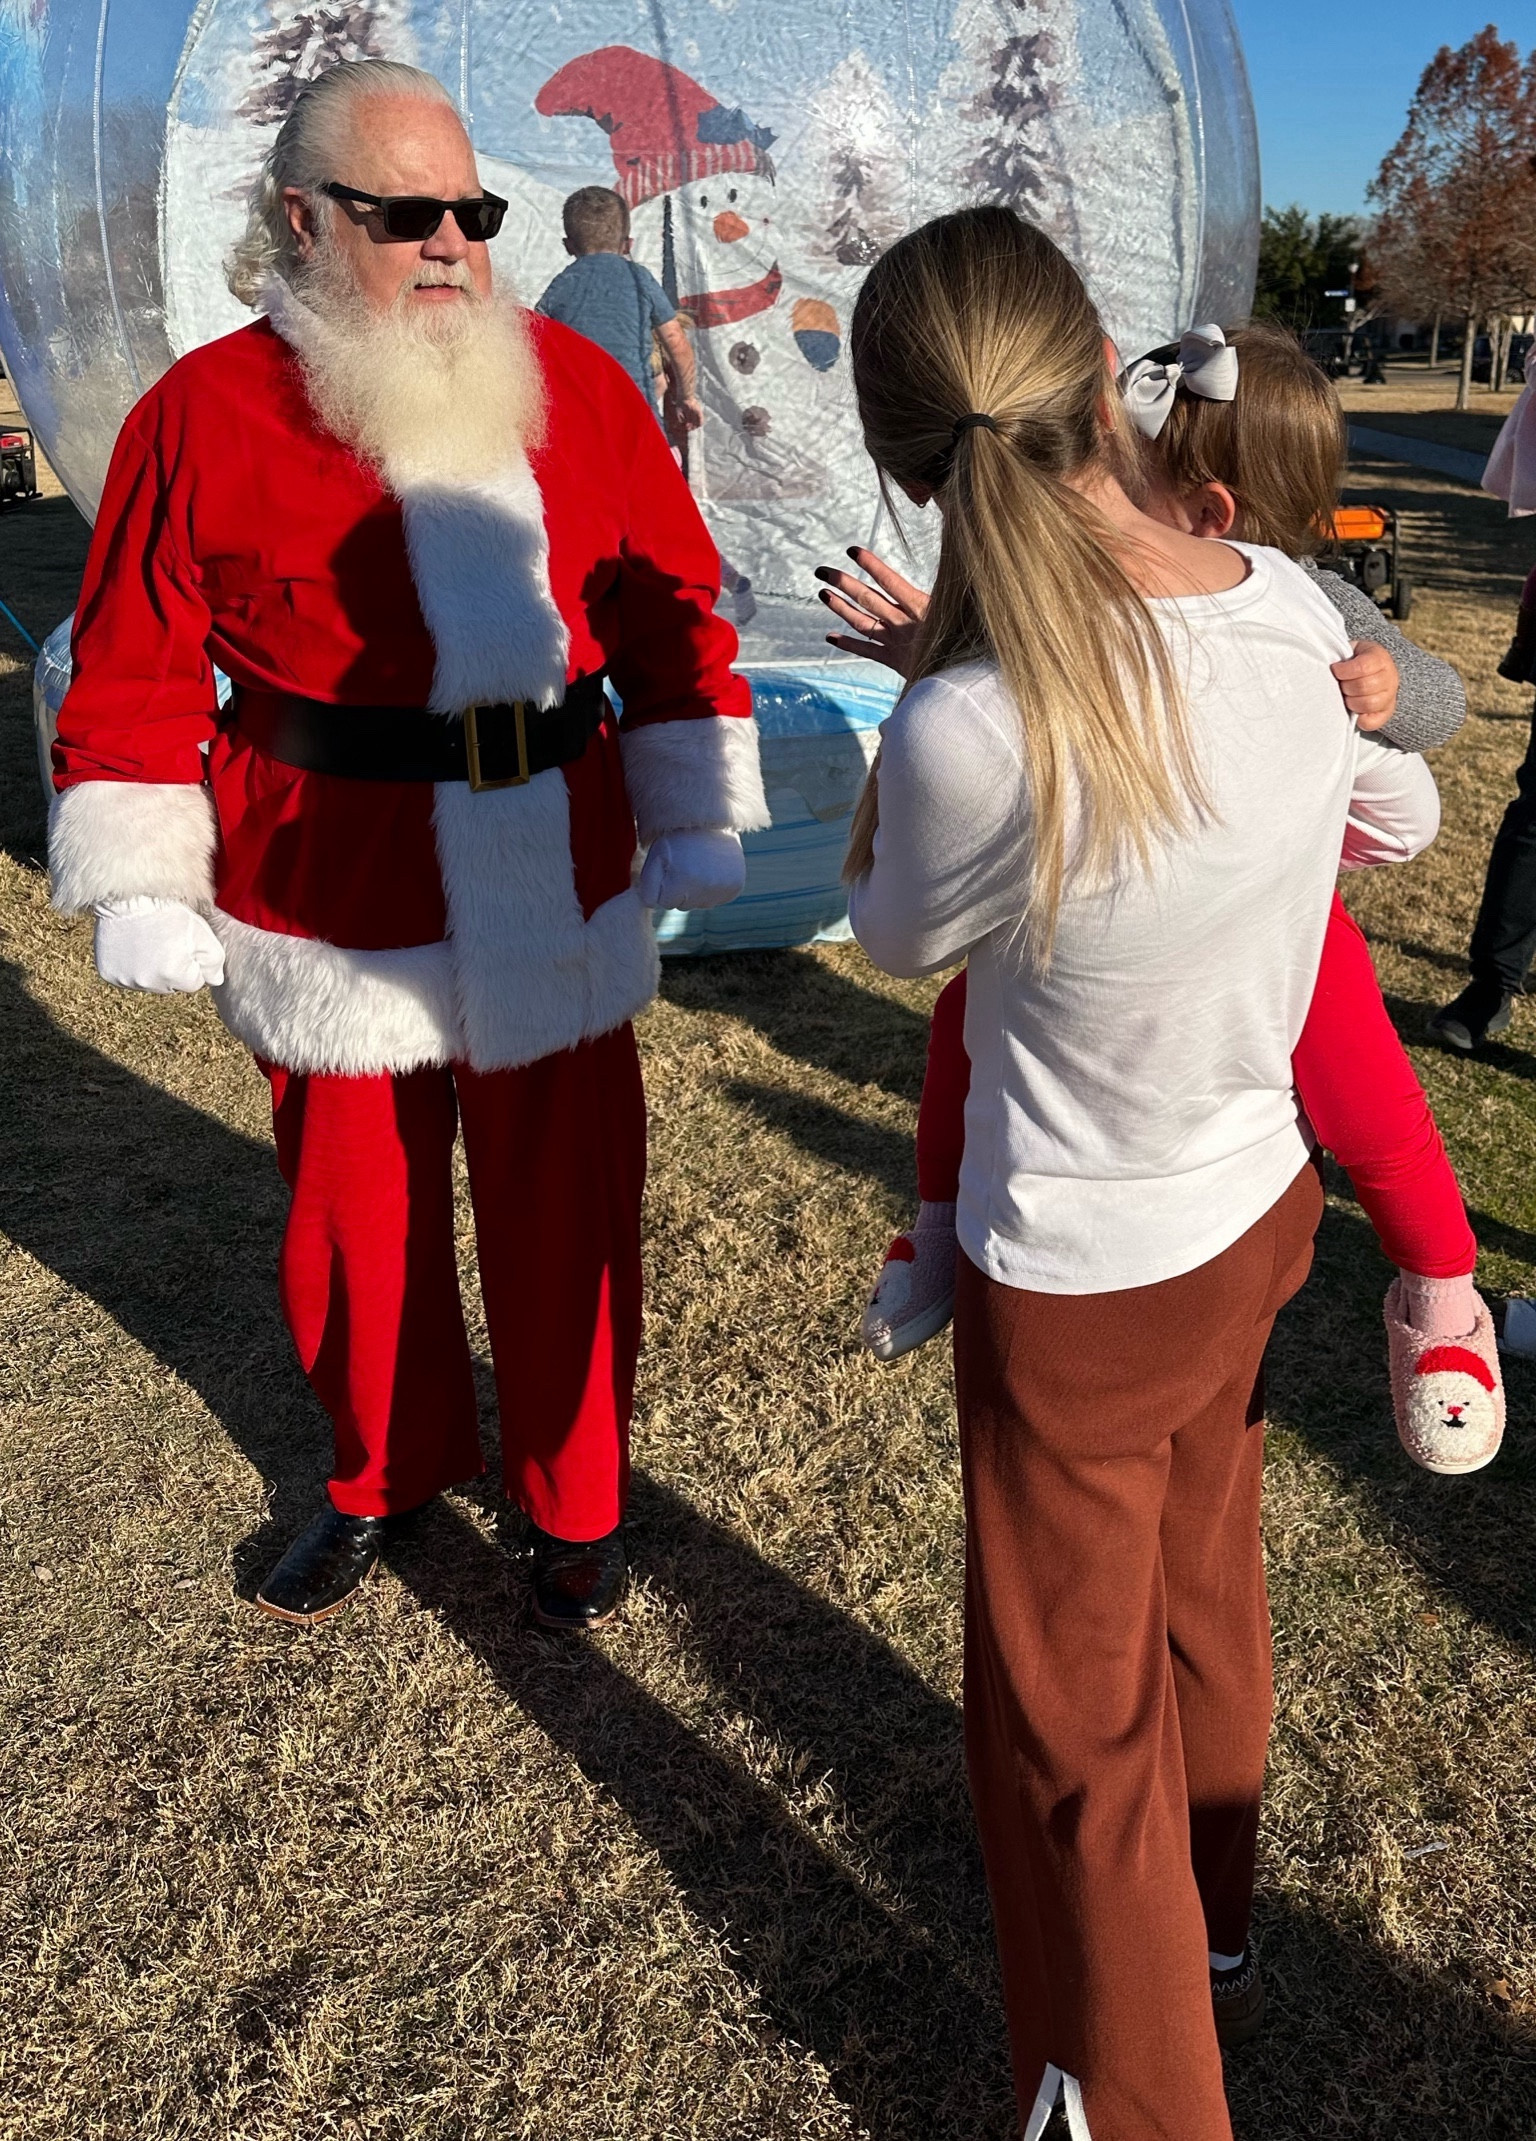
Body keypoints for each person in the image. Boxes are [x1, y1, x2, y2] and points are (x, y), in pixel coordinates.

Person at [839, 206, 1440, 2140]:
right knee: (1208, 1602)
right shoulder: (1282, 607)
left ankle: (1127, 2087)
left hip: (1076, 1281)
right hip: (1257, 1215)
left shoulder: (966, 722)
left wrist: (932, 669)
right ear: (1113, 376)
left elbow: (898, 937)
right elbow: (1372, 800)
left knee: (1070, 1731)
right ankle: (1223, 1931)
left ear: (901, 459)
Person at [47, 60, 768, 1630]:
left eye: (475, 211)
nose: (451, 242)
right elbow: (135, 652)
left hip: (557, 864)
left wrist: (691, 800)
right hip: (332, 885)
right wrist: (145, 870)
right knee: (355, 1219)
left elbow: (670, 601)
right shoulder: (204, 410)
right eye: (407, 214)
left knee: (564, 1204)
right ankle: (382, 1473)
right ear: (303, 219)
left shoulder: (574, 388)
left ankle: (577, 1505)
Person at [825, 319, 1503, 1478]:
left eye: (1145, 483)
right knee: (959, 1033)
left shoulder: (1302, 608)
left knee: (1365, 1074)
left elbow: (1421, 765)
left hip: (1245, 990)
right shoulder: (1076, 602)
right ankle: (937, 1228)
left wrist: (1381, 698)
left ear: (1215, 515)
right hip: (1188, 1149)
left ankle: (1442, 1291)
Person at [537, 184, 703, 440]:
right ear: (628, 244)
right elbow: (675, 341)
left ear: (568, 246)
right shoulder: (639, 278)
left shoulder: (562, 285)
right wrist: (686, 397)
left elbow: (534, 345)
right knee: (650, 477)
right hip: (637, 420)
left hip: (580, 424)